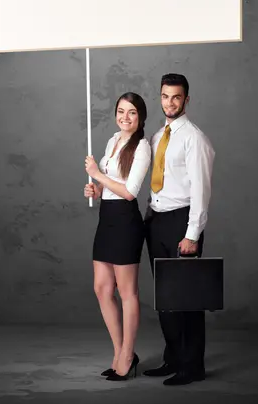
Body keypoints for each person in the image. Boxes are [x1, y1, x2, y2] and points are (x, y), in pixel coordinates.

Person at [143, 73, 215, 386]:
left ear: (187, 99)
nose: (170, 102)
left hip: (182, 223)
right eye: (165, 96)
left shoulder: (194, 138)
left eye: (176, 97)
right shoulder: (158, 137)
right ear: (160, 97)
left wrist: (192, 234)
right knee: (165, 298)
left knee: (187, 298)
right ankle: (172, 359)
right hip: (156, 220)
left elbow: (201, 189)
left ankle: (192, 366)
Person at [84, 92, 151, 381]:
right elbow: (111, 188)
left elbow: (129, 191)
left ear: (140, 117)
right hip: (107, 219)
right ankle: (119, 351)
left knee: (127, 293)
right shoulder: (113, 141)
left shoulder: (143, 147)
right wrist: (96, 190)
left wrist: (97, 175)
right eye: (121, 111)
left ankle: (127, 355)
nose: (125, 117)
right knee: (101, 288)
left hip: (126, 221)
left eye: (132, 112)